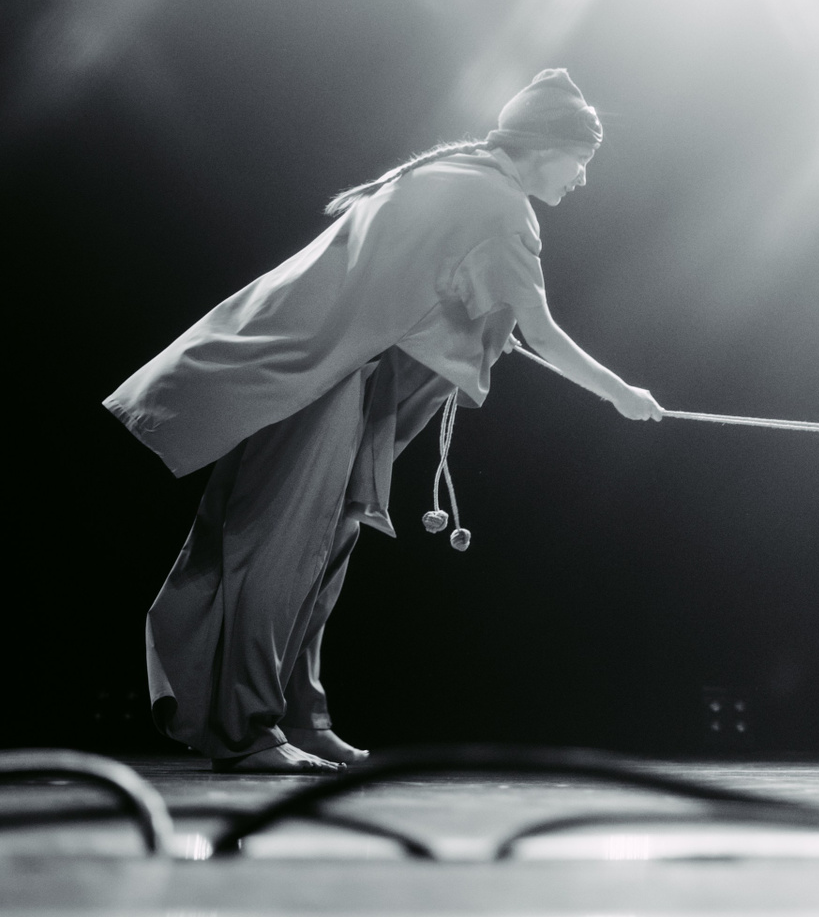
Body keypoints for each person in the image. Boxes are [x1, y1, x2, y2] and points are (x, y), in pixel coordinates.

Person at [107, 69, 665, 772]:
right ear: (546, 148)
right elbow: (543, 334)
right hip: (322, 382)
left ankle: (301, 717)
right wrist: (620, 392)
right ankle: (248, 732)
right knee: (279, 551)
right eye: (580, 161)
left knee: (322, 550)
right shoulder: (500, 205)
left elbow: (422, 292)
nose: (582, 179)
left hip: (331, 380)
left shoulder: (450, 174)